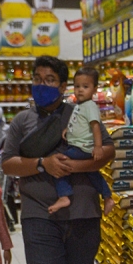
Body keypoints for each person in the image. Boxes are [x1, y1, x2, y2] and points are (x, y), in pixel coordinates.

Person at [2, 56, 115, 264]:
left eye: (49, 79)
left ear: (63, 86)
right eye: (37, 78)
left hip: (83, 213)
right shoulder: (22, 121)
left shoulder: (82, 111)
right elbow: (8, 163)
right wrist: (42, 164)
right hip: (40, 214)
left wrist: (74, 168)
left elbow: (107, 151)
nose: (42, 84)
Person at [47, 67, 114, 215]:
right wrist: (68, 131)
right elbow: (79, 124)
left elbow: (95, 127)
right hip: (80, 146)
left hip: (82, 148)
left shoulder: (90, 106)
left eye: (85, 87)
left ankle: (64, 196)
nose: (80, 90)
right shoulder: (80, 106)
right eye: (77, 86)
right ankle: (108, 197)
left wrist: (98, 147)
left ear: (95, 89)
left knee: (60, 165)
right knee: (93, 173)